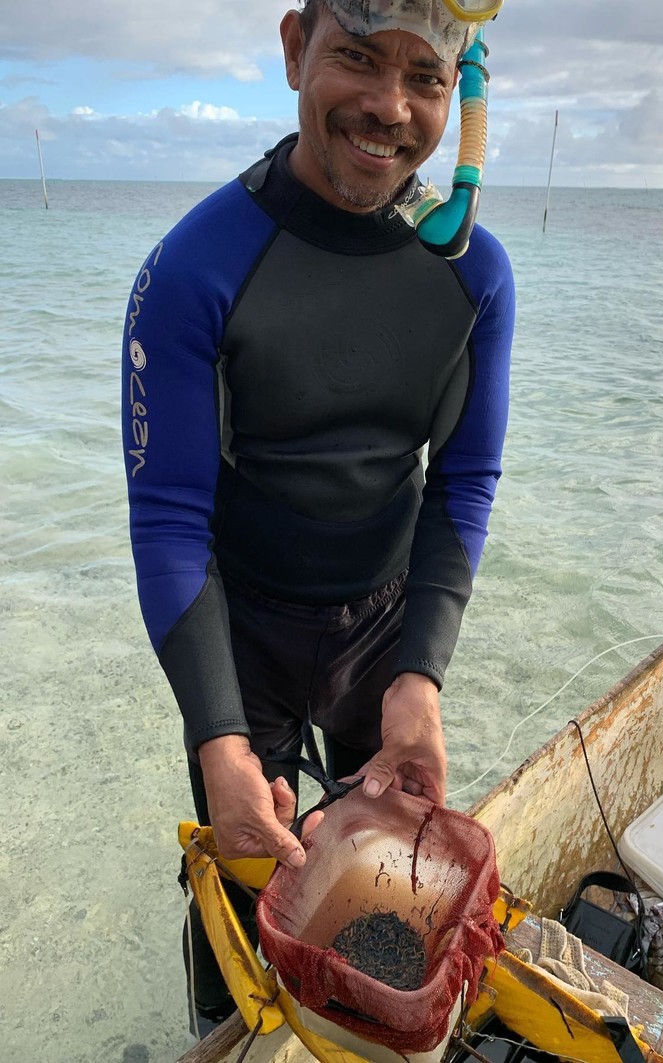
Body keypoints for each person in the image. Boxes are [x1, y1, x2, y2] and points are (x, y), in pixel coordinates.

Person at [121, 0, 514, 1034]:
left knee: (382, 895)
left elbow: (462, 482)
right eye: (356, 58)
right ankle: (225, 1036)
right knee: (240, 884)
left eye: (423, 78)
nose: (386, 107)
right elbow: (168, 516)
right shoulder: (196, 265)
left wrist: (419, 679)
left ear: (461, 94)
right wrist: (216, 737)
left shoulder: (472, 274)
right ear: (296, 47)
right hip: (238, 641)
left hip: (387, 637)